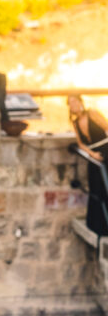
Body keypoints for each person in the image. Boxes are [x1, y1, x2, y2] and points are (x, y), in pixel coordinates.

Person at [68, 93, 108, 236]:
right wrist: (93, 155)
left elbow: (107, 127)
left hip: (106, 148)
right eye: (70, 103)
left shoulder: (92, 113)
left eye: (75, 101)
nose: (73, 105)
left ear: (80, 102)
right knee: (96, 186)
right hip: (94, 156)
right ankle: (100, 225)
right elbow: (81, 144)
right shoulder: (75, 123)